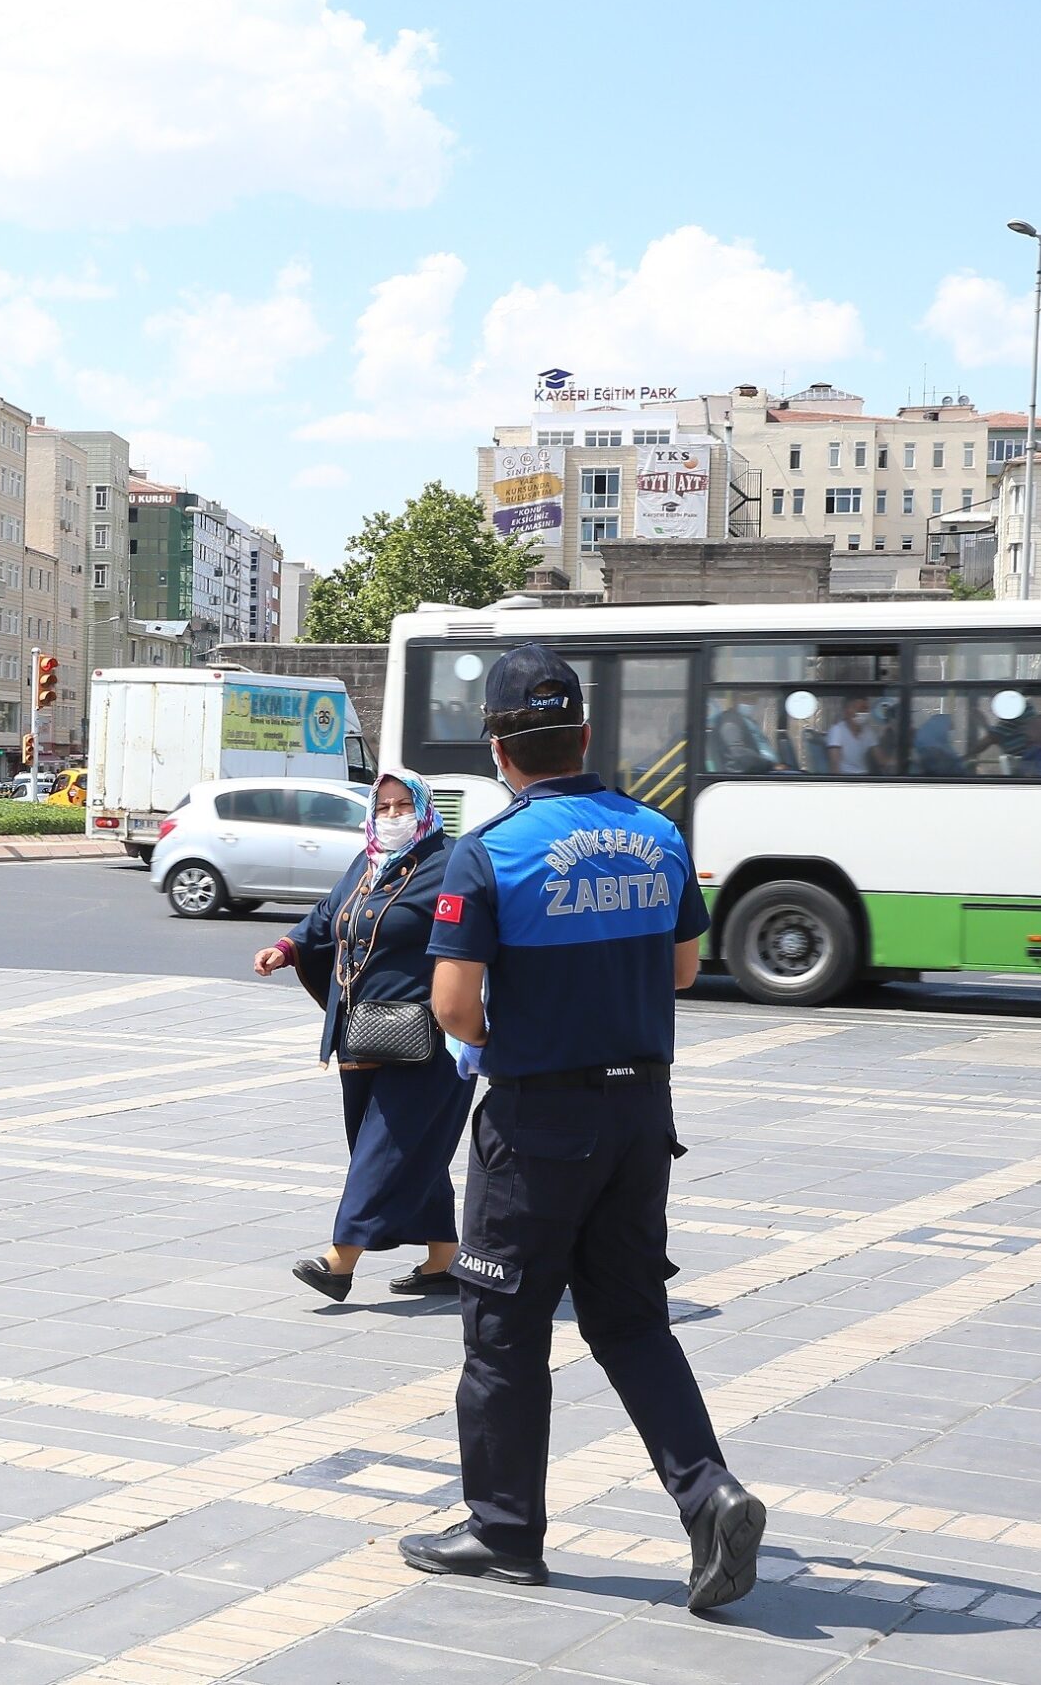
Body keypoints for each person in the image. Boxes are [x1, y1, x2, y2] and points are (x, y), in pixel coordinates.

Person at [403, 643, 764, 1612]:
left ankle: (504, 1530)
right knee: (632, 1320)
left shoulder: (490, 850)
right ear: (586, 737)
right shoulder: (656, 832)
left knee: (503, 1330)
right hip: (642, 1113)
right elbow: (686, 971)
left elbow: (449, 1007)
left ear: (497, 748)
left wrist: (496, 1040)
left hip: (537, 1119)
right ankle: (707, 1494)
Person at [254, 771, 472, 1301]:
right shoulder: (367, 862)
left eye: (403, 805)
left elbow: (476, 937)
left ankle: (341, 1258)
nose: (392, 816)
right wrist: (287, 947)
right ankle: (443, 1254)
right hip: (364, 1032)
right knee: (397, 1146)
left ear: (423, 808)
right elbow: (331, 913)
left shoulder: (451, 864)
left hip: (428, 1036)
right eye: (385, 806)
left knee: (386, 1145)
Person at [822, 697, 878, 775]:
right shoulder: (837, 730)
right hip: (846, 778)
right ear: (846, 711)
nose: (861, 712)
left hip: (865, 778)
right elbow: (834, 766)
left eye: (864, 709)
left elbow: (881, 760)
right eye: (857, 708)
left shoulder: (868, 731)